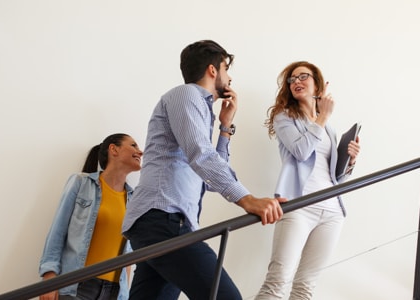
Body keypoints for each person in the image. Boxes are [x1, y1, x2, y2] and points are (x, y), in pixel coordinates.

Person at [121, 39, 286, 300]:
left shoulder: (197, 107)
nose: (229, 78)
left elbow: (206, 175)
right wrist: (248, 200)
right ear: (213, 69)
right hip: (163, 219)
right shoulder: (186, 95)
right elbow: (202, 155)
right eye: (226, 69)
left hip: (159, 224)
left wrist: (225, 126)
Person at [255, 61, 361, 299]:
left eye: (303, 77)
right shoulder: (284, 118)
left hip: (332, 211)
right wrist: (322, 116)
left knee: (306, 286)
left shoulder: (330, 129)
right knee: (277, 280)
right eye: (292, 80)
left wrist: (350, 161)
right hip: (299, 206)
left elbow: (336, 176)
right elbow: (301, 151)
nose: (296, 82)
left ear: (318, 84)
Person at [39, 133, 144, 300]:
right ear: (113, 149)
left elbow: (128, 257)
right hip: (77, 287)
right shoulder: (81, 183)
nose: (140, 152)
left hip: (114, 293)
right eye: (133, 145)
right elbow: (57, 232)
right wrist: (49, 279)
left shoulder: (135, 200)